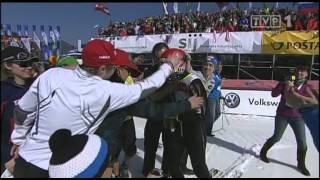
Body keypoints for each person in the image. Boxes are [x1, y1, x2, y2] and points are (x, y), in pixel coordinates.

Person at [9, 39, 182, 178]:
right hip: (57, 169)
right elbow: (147, 86)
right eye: (112, 66)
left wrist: (18, 139)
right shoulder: (106, 91)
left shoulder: (51, 74)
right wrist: (169, 65)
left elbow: (23, 110)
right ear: (101, 68)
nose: (115, 69)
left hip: (24, 159)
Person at [161, 48, 211, 178]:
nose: (164, 67)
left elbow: (201, 100)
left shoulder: (191, 78)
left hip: (193, 124)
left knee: (198, 165)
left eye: (168, 63)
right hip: (176, 125)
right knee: (173, 165)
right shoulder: (168, 79)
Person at [259, 66, 316, 176]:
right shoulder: (287, 82)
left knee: (302, 143)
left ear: (307, 74)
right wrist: (283, 83)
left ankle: (301, 164)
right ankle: (263, 152)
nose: (300, 73)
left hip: (298, 117)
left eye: (303, 72)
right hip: (282, 115)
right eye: (299, 71)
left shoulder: (308, 87)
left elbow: (311, 102)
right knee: (276, 137)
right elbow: (274, 94)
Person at [1, 47, 39, 173]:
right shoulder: (4, 92)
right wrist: (7, 158)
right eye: (23, 64)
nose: (29, 67)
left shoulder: (40, 86)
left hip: (37, 154)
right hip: (10, 157)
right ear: (8, 65)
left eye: (30, 63)